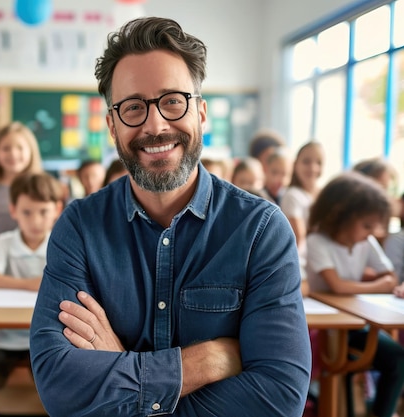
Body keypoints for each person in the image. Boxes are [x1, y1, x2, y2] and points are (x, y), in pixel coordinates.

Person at [29, 17, 311, 417]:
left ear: (200, 111)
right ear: (112, 125)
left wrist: (122, 367)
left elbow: (278, 400)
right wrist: (204, 362)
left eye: (172, 101)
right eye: (133, 107)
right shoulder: (79, 227)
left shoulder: (260, 230)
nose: (155, 125)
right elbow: (60, 388)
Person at [305, 172, 404, 417]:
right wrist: (376, 284)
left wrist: (368, 284)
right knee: (334, 370)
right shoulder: (318, 241)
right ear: (341, 216)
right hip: (320, 330)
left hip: (354, 325)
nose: (371, 232)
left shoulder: (365, 242)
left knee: (397, 359)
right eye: (366, 225)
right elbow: (337, 286)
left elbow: (390, 277)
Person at [0, 172, 63, 391]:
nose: (35, 221)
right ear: (13, 210)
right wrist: (28, 284)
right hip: (5, 338)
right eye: (27, 212)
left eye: (43, 212)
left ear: (57, 209)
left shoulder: (62, 242)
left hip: (49, 336)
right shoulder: (5, 242)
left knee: (52, 385)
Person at [0, 122, 43, 264]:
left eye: (20, 148)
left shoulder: (42, 186)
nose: (13, 154)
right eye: (6, 148)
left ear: (31, 151)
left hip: (35, 262)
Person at [280, 141, 324, 272]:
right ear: (295, 164)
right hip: (305, 265)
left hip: (323, 261)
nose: (313, 168)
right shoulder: (292, 195)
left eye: (319, 163)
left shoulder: (324, 194)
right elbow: (299, 238)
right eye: (306, 162)